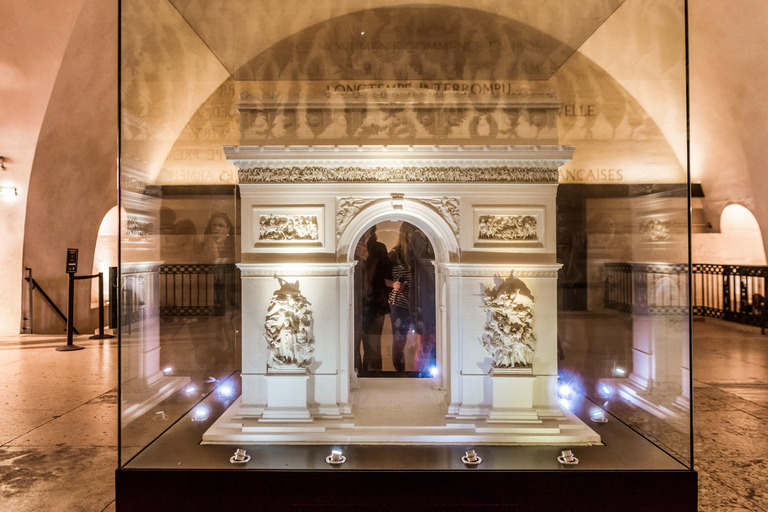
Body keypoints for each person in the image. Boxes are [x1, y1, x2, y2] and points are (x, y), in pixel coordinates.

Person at [360, 229, 393, 373]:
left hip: (374, 308)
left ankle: (374, 381)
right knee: (350, 350)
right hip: (353, 307)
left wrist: (368, 258)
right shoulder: (348, 247)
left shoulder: (379, 248)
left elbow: (386, 278)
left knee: (373, 350)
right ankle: (354, 382)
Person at [388, 223, 415, 372]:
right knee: (399, 339)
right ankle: (400, 373)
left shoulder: (417, 254)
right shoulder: (394, 254)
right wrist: (393, 284)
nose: (413, 236)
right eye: (411, 233)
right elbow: (379, 278)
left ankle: (411, 372)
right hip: (399, 304)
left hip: (416, 302)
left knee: (419, 340)